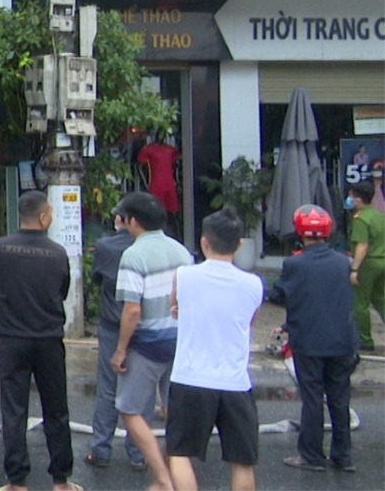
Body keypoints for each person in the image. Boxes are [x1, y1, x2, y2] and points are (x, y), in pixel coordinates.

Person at [0, 190, 79, 491]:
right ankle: (61, 481)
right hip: (49, 339)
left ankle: (17, 482)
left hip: (13, 339)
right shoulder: (57, 253)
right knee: (56, 410)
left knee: (13, 411)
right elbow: (62, 291)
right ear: (43, 217)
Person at [166, 209, 264, 491]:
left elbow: (175, 307)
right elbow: (249, 321)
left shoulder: (184, 275)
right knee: (242, 461)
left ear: (203, 242)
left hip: (190, 379)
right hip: (236, 382)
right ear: (240, 244)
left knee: (181, 453)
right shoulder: (254, 284)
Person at [112, 191, 193, 491]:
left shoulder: (133, 255)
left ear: (133, 221)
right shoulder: (183, 252)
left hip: (146, 344)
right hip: (179, 340)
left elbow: (132, 309)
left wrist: (120, 350)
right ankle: (179, 469)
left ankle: (162, 478)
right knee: (175, 409)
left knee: (130, 410)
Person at [270, 205, 358, 473]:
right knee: (340, 400)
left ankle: (311, 455)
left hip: (309, 341)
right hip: (343, 341)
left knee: (312, 399)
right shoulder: (343, 262)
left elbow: (278, 296)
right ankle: (343, 457)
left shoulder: (294, 264)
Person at [86, 202, 145, 470]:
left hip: (112, 324)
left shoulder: (106, 247)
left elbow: (97, 278)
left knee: (108, 389)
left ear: (122, 219)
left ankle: (101, 449)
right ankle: (139, 453)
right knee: (141, 392)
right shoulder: (150, 249)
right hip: (145, 328)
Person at [347, 181, 385, 351]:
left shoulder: (361, 218)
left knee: (359, 303)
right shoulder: (378, 215)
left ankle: (365, 341)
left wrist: (355, 269)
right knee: (380, 300)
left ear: (358, 199)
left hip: (367, 263)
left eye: (351, 196)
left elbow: (362, 245)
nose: (349, 199)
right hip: (382, 260)